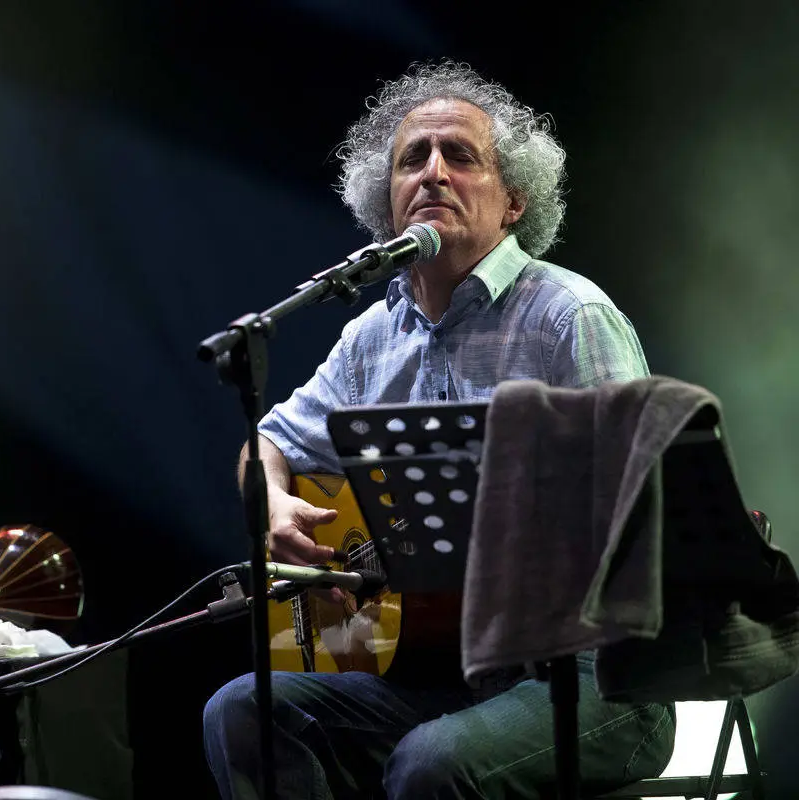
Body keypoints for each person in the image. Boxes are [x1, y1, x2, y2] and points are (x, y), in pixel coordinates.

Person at [202, 60, 676, 799]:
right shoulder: (371, 338)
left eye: (460, 155)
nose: (432, 173)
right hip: (441, 674)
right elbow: (265, 442)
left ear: (514, 201)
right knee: (243, 712)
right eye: (411, 160)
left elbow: (644, 506)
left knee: (433, 761)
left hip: (594, 674)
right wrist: (272, 504)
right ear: (387, 201)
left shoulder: (568, 316)